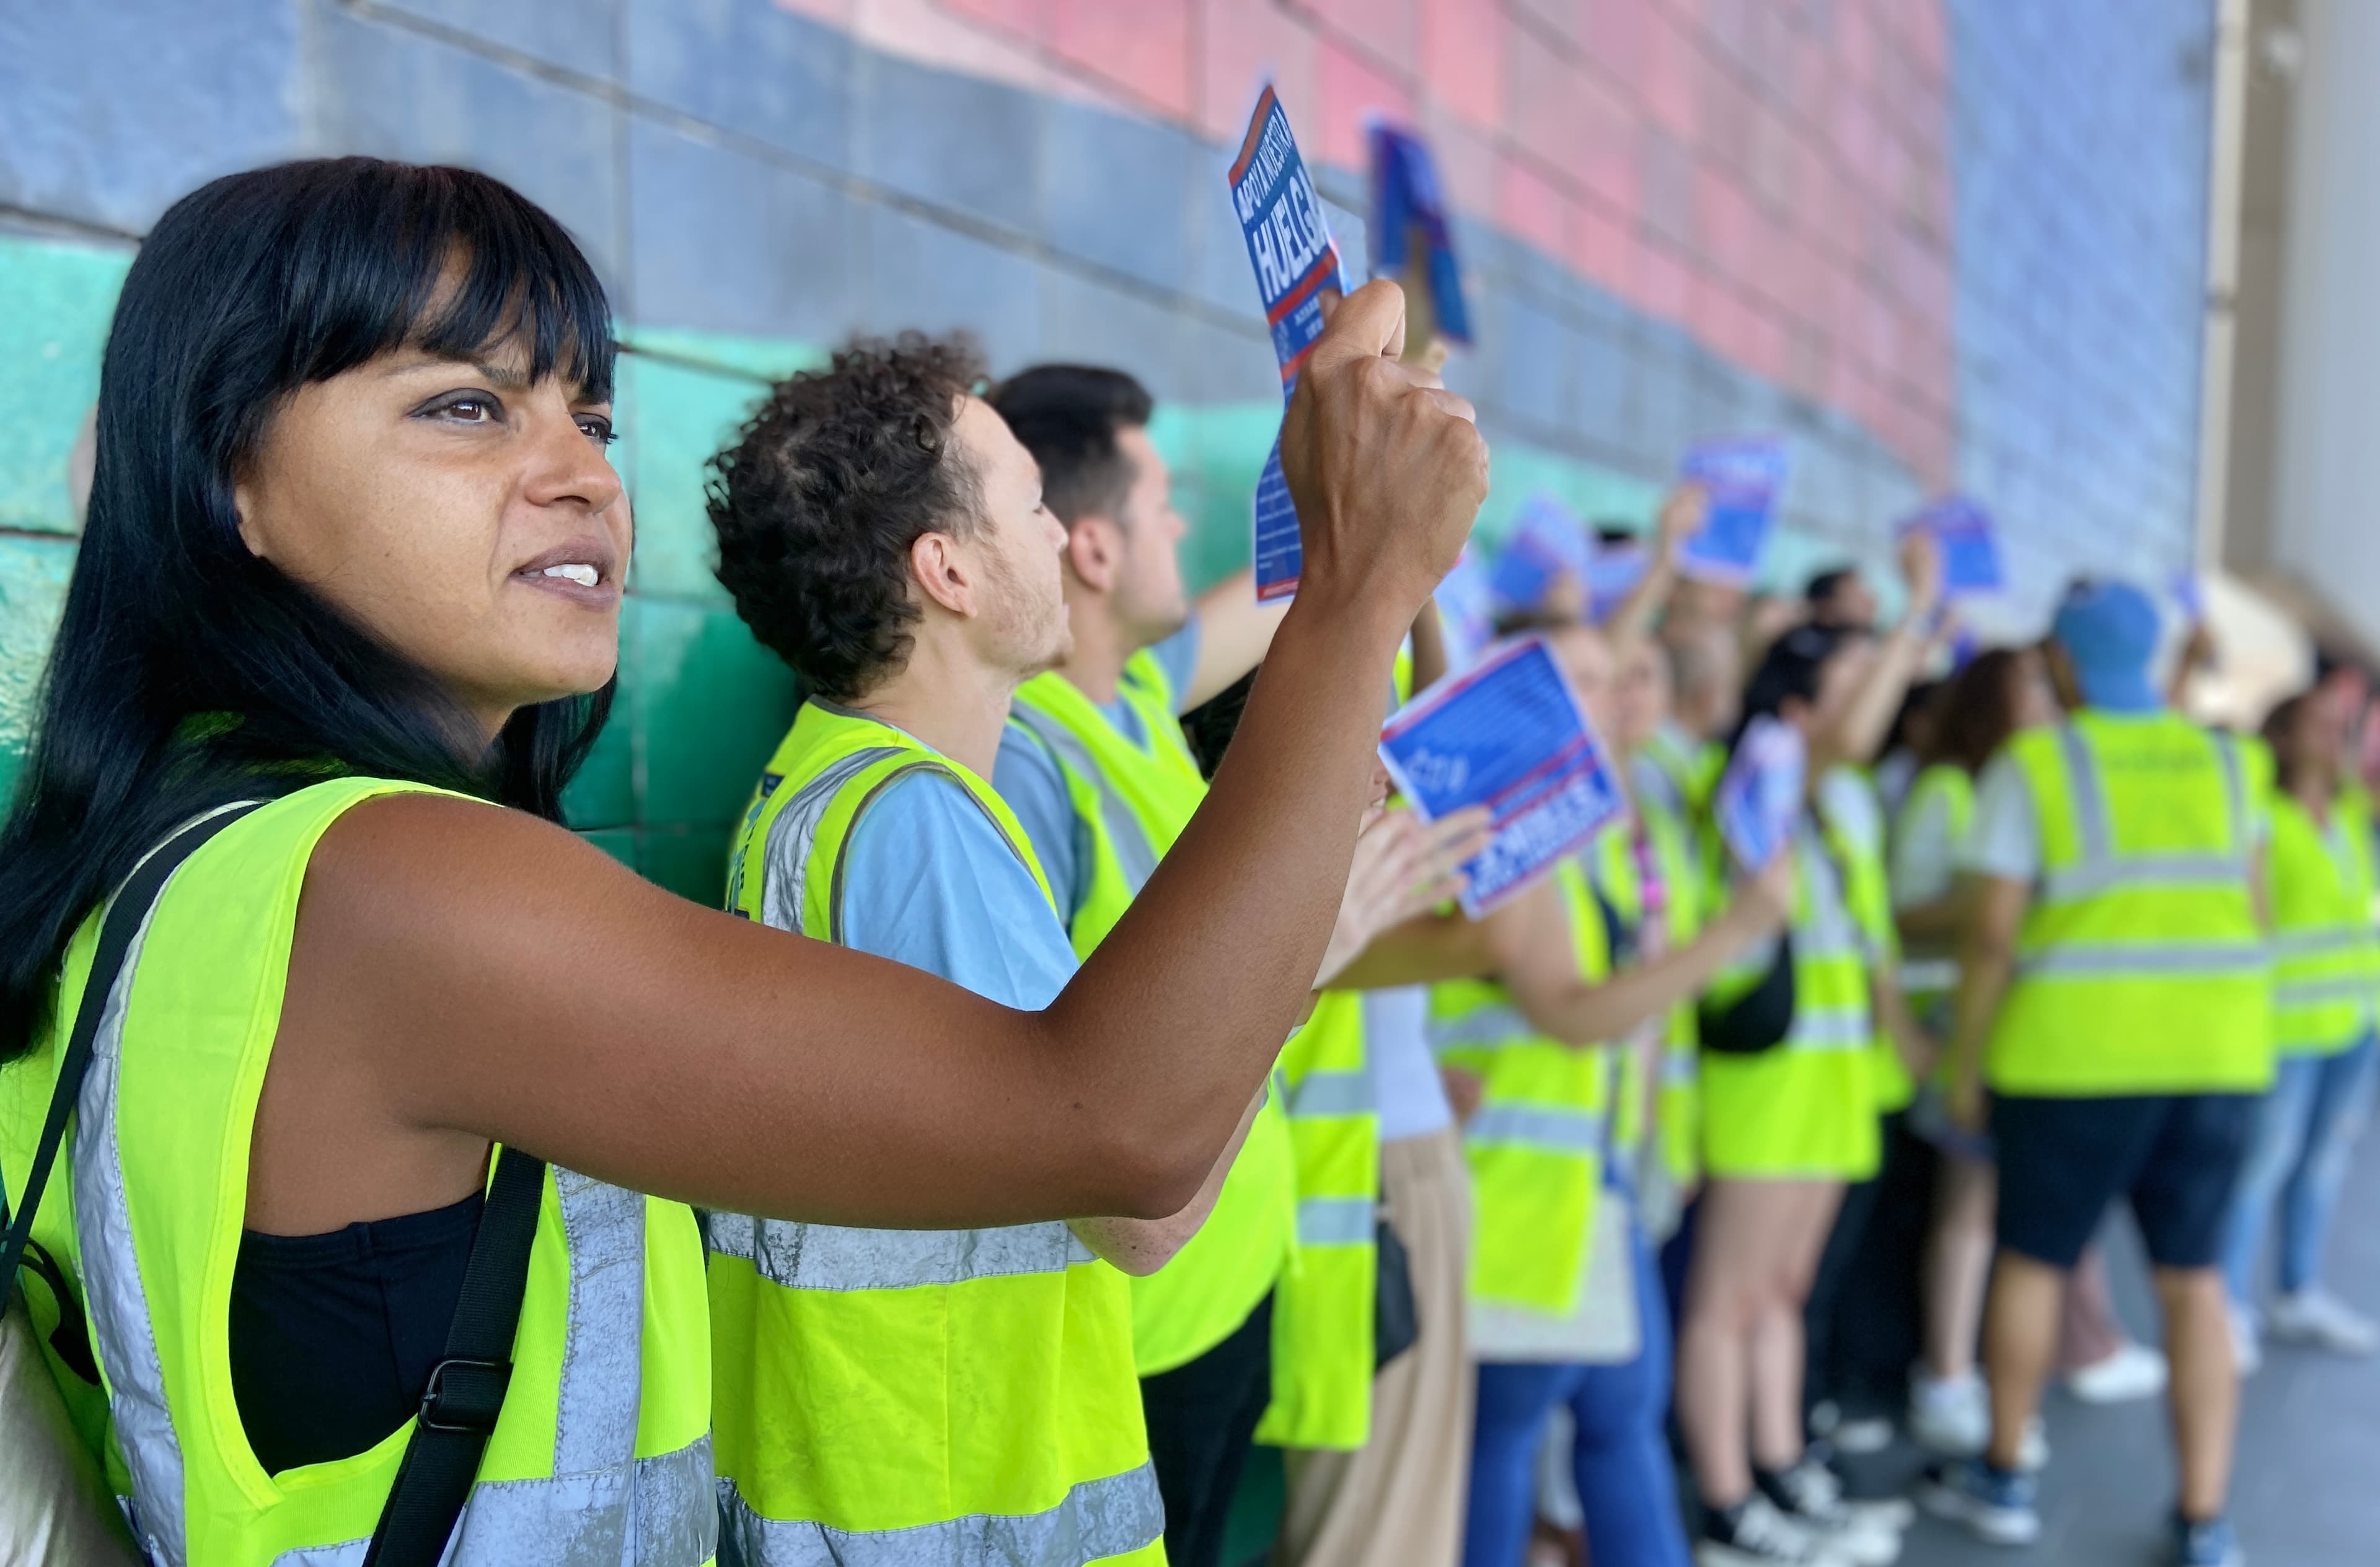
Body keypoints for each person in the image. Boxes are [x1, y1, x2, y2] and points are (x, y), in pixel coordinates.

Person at [0, 160, 1488, 1566]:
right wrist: (1355, 591)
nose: (576, 472)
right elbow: (1126, 1128)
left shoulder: (182, 862)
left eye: (589, 416)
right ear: (226, 481)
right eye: (464, 407)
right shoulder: (394, 886)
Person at [694, 336, 1481, 1561]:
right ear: (947, 569)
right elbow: (1139, 1210)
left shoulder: (849, 785)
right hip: (949, 1487)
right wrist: (1303, 958)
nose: (1065, 537)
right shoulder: (917, 829)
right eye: (1027, 508)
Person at [983, 362, 1362, 1567]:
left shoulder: (1140, 691)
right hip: (1140, 1327)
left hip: (1231, 1276)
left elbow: (1301, 573)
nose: (1185, 526)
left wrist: (1364, 393)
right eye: (1162, 503)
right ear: (1091, 548)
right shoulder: (1026, 763)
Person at [1924, 581, 2272, 1567]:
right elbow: (2251, 906)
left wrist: (1963, 1064)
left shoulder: (2037, 763)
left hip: (2071, 1058)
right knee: (2195, 1284)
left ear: (2064, 665)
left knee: (2031, 1259)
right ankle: (2206, 1518)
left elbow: (1991, 933)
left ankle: (2005, 1473)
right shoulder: (2230, 760)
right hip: (2217, 1056)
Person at [1437, 621, 1792, 1567]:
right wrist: (1737, 930)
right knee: (1512, 1446)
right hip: (1510, 1194)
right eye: (1582, 681)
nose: (1615, 698)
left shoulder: (1589, 828)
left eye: (1612, 679)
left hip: (1586, 1185)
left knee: (1619, 1420)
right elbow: (1569, 1012)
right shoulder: (1508, 824)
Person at [1675, 621, 1922, 1567]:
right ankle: (1728, 1506)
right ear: (1798, 706)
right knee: (1726, 1302)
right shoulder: (1754, 783)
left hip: (1831, 1087)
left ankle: (1780, 1468)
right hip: (1762, 1088)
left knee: (1783, 1291)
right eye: (1860, 681)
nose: (1882, 700)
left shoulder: (1848, 802)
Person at [2219, 691, 2380, 1368]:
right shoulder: (2262, 814)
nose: (2332, 736)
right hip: (2285, 1024)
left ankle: (2297, 1290)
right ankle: (2227, 1307)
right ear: (2280, 737)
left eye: (2339, 726)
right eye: (2317, 724)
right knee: (2263, 1165)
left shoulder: (2346, 816)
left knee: (2323, 1163)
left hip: (2354, 1018)